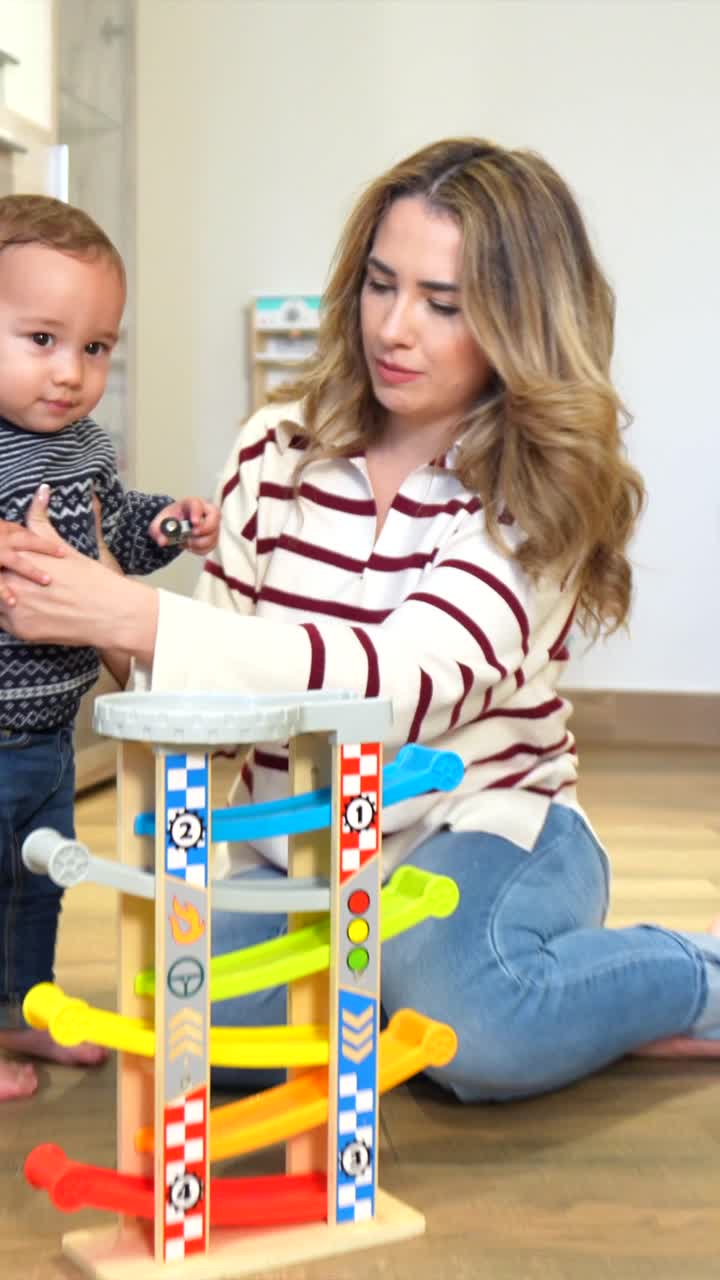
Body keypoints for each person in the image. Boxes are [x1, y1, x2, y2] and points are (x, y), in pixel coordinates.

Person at [1, 139, 719, 1105]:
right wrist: (102, 627)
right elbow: (215, 693)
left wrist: (136, 613)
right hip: (302, 853)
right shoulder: (275, 448)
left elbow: (402, 685)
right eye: (381, 285)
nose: (395, 328)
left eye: (444, 303)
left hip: (474, 825)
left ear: (521, 320)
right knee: (180, 1022)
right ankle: (438, 979)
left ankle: (686, 974)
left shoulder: (533, 486)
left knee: (479, 1031)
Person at [0, 194, 220, 1100]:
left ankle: (21, 1009)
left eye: (95, 349)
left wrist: (166, 522)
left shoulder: (84, 446)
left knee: (40, 878)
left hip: (51, 731)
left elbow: (113, 535)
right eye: (42, 340)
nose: (70, 373)